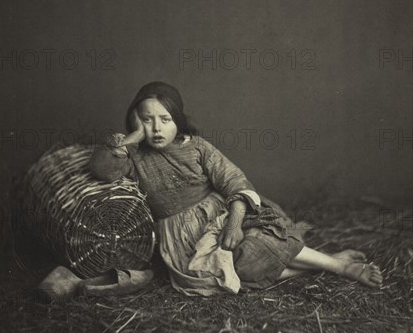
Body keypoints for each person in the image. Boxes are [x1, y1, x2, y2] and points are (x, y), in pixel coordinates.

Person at [89, 82, 383, 297]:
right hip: (182, 238)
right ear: (135, 119)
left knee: (259, 242)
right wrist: (131, 137)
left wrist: (233, 224)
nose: (156, 128)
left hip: (221, 215)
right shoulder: (132, 156)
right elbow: (101, 170)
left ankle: (338, 266)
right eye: (147, 119)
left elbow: (235, 181)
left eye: (165, 119)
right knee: (232, 269)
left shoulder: (197, 148)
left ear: (177, 120)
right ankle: (332, 264)